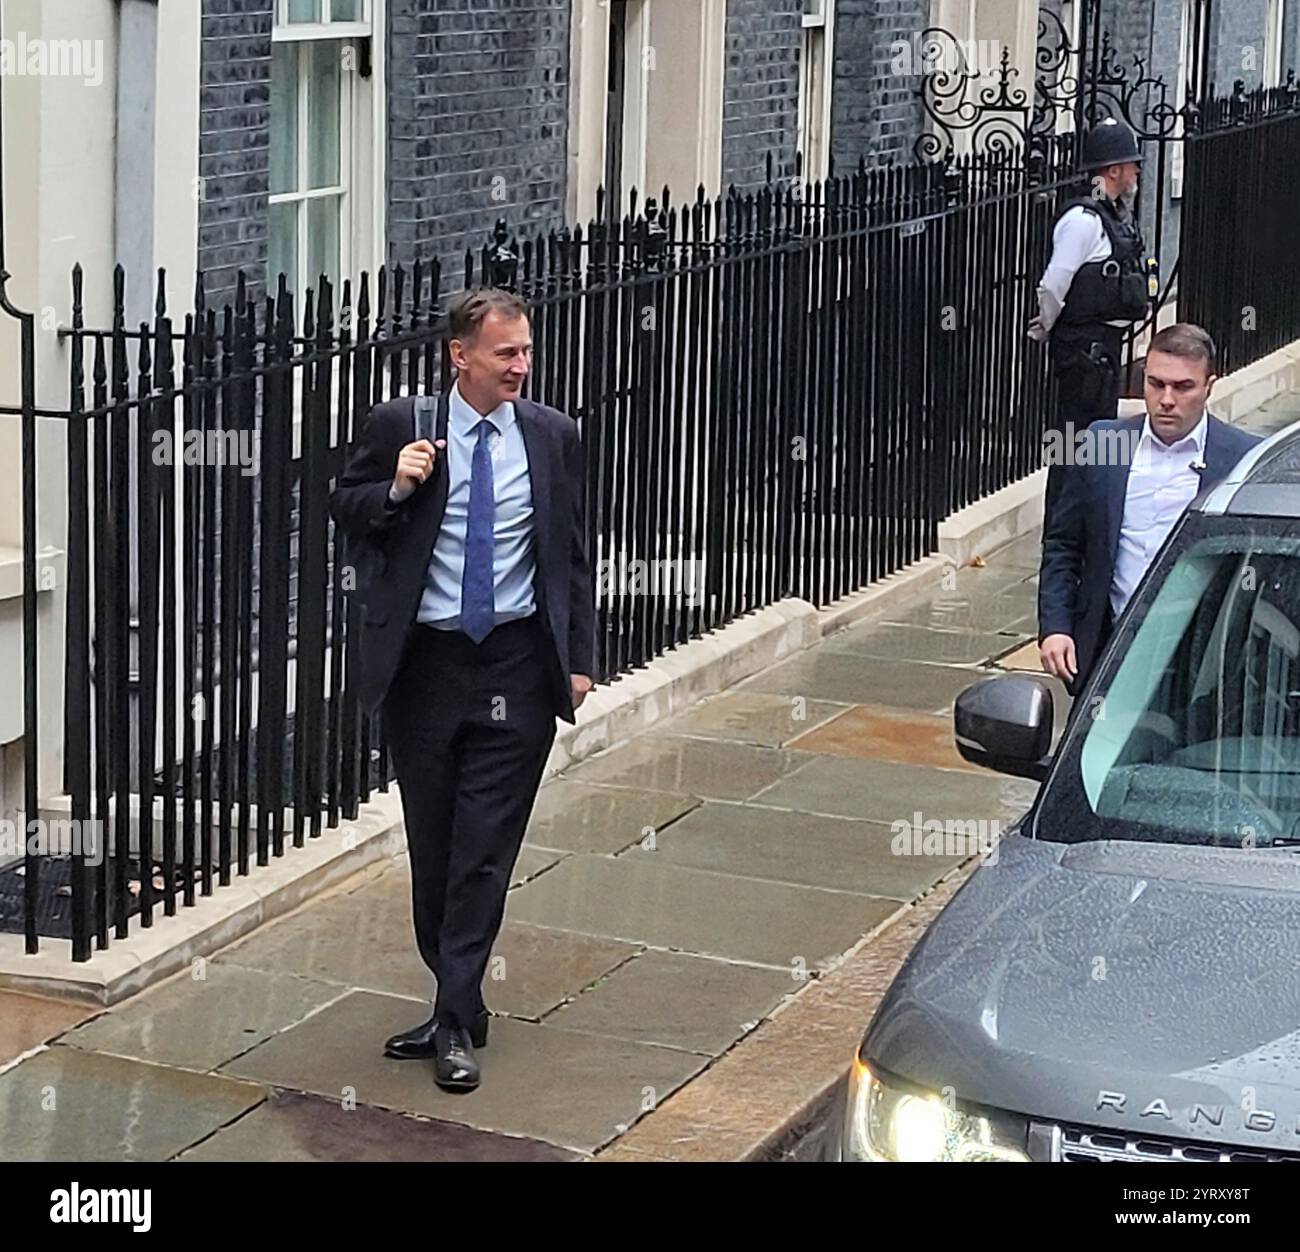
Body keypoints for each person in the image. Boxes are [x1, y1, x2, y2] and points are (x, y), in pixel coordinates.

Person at [329, 287, 595, 1092]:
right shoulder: (400, 427)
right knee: (435, 849)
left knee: (484, 850)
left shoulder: (552, 437)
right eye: (506, 352)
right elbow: (345, 507)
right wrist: (397, 490)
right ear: (461, 356)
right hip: (427, 668)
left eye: (526, 351)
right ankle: (461, 997)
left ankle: (452, 1024)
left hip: (515, 662)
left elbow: (573, 555)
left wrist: (579, 657)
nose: (522, 365)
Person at [1038, 323, 1259, 695]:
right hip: (1110, 646)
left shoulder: (1241, 457)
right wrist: (1055, 627)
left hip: (1200, 659)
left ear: (1209, 386)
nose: (1167, 399)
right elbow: (1063, 544)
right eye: (1156, 384)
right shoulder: (1104, 442)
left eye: (1183, 386)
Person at [1029, 118, 1157, 522]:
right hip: (1082, 351)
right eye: (1132, 165)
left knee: (1098, 438)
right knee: (1073, 443)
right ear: (1113, 170)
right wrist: (1043, 328)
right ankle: (1062, 525)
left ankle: (1085, 519)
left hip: (1103, 349)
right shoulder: (1082, 223)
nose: (1137, 172)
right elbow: (1053, 284)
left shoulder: (1112, 216)